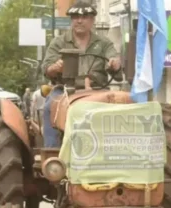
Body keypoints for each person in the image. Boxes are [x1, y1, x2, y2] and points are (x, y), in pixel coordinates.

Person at [41, 0, 123, 148]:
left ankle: (117, 149)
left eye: (85, 16)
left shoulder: (104, 43)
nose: (79, 20)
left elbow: (114, 64)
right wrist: (55, 67)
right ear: (71, 20)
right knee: (49, 107)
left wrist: (114, 63)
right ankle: (52, 152)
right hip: (65, 90)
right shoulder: (59, 42)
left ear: (92, 20)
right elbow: (46, 68)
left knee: (121, 106)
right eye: (75, 17)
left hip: (97, 90)